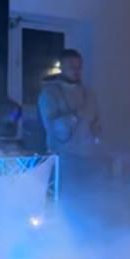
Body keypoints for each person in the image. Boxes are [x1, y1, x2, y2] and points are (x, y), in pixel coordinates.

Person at [38, 48, 102, 187]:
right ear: (61, 68)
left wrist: (96, 136)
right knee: (64, 200)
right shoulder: (50, 93)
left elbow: (96, 122)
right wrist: (75, 115)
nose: (76, 71)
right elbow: (52, 127)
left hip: (87, 158)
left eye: (79, 67)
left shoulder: (89, 93)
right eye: (71, 67)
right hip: (62, 159)